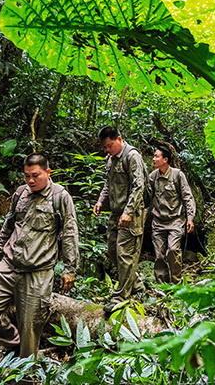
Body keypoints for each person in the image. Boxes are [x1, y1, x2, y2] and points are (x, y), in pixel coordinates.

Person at [0, 154, 79, 359]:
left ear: (47, 173)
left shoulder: (60, 197)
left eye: (35, 175)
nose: (31, 180)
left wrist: (70, 269)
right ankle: (13, 345)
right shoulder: (20, 194)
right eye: (26, 176)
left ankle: (25, 371)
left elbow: (70, 233)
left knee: (30, 326)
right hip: (9, 264)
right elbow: (7, 227)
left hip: (38, 272)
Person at [92, 126, 147, 304]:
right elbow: (108, 184)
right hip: (116, 213)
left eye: (109, 145)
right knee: (113, 251)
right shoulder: (111, 159)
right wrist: (101, 201)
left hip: (131, 214)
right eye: (105, 147)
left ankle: (122, 296)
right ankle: (137, 286)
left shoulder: (132, 156)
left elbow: (139, 186)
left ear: (119, 139)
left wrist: (129, 212)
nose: (107, 150)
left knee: (125, 254)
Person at [147, 145, 195, 283]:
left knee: (173, 250)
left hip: (175, 220)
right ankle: (162, 285)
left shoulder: (177, 175)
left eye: (157, 156)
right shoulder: (152, 177)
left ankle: (176, 282)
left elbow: (187, 197)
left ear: (165, 159)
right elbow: (146, 198)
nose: (153, 159)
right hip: (158, 221)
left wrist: (190, 218)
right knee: (159, 255)